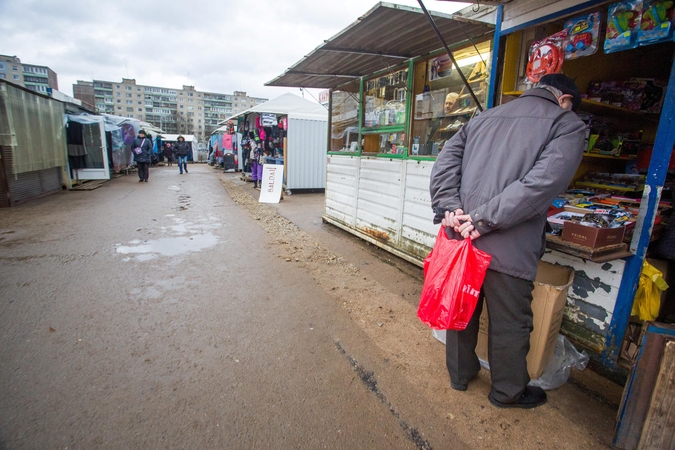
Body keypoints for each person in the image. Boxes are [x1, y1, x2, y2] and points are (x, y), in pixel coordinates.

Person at [429, 74, 586, 409]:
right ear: (565, 99)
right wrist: (483, 220)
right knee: (510, 324)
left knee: (462, 311)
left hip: (462, 240)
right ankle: (507, 392)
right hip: (509, 245)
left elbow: (445, 163)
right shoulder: (567, 124)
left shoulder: (483, 118)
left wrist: (450, 208)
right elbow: (540, 185)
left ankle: (460, 376)